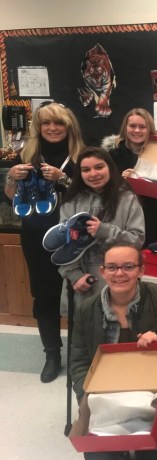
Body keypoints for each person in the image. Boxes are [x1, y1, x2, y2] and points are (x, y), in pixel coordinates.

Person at [69, 242, 157, 460]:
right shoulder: (86, 309)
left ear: (141, 270)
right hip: (109, 398)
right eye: (112, 267)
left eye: (128, 266)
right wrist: (85, 397)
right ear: (102, 272)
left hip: (156, 396)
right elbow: (78, 360)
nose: (119, 273)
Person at [3, 101, 84, 382]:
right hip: (36, 234)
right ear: (39, 127)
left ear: (68, 126)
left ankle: (80, 353)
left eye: (58, 123)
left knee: (79, 294)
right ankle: (52, 354)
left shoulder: (81, 157)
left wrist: (63, 178)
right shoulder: (26, 154)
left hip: (74, 235)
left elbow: (90, 196)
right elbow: (13, 199)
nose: (52, 128)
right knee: (45, 294)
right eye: (46, 123)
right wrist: (11, 179)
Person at [58, 147, 145, 315]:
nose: (93, 174)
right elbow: (62, 243)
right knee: (85, 334)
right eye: (86, 170)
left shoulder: (127, 198)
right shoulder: (72, 201)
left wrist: (104, 231)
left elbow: (137, 239)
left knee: (118, 331)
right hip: (83, 281)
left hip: (119, 280)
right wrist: (74, 275)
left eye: (99, 167)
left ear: (110, 168)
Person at [102, 108, 157, 246]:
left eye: (142, 127)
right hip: (125, 219)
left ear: (149, 129)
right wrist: (120, 181)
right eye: (132, 126)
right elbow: (102, 189)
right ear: (125, 128)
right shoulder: (112, 157)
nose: (137, 130)